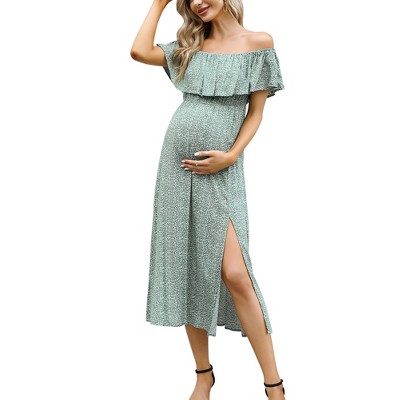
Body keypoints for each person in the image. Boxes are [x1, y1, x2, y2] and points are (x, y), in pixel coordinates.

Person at [131, 1, 285, 398]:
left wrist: (231, 155)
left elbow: (255, 112)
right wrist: (159, 4)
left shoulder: (258, 42)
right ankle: (203, 375)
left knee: (236, 273)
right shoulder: (189, 47)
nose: (198, 2)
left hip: (222, 170)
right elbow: (139, 51)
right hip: (176, 170)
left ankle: (274, 384)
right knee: (189, 269)